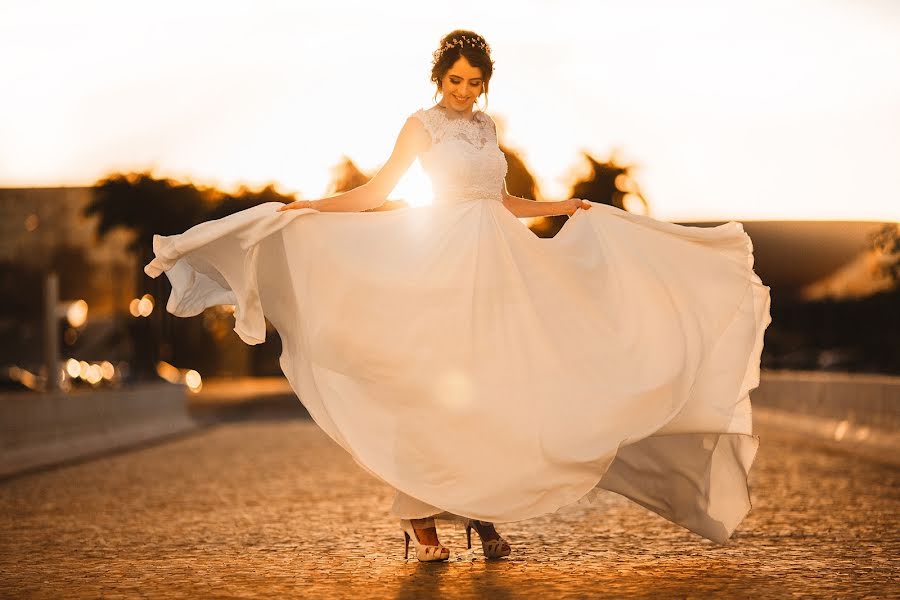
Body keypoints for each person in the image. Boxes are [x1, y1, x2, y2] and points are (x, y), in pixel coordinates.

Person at [145, 29, 771, 563]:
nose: (464, 92)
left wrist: (563, 206)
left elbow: (501, 203)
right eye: (456, 81)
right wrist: (311, 205)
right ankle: (419, 514)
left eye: (475, 83)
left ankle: (479, 509)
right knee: (430, 387)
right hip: (438, 264)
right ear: (438, 78)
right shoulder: (421, 126)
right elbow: (376, 191)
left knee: (494, 388)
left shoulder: (485, 128)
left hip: (499, 264)